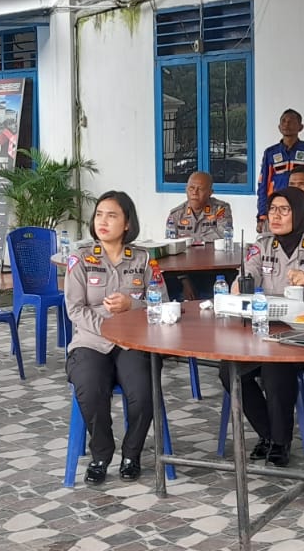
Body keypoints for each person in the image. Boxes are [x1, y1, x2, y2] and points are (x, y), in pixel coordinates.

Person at [225, 188, 304, 467]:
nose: (275, 216)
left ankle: (280, 442)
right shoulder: (262, 245)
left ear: (301, 213)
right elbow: (248, 273)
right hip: (264, 331)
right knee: (229, 370)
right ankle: (268, 433)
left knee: (274, 367)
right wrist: (239, 284)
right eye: (272, 210)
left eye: (284, 210)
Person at [64, 191, 158, 485]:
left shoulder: (143, 259)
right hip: (91, 340)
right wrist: (106, 329)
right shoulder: (80, 259)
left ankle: (132, 454)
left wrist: (134, 305)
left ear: (127, 223)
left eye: (112, 215)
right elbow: (74, 309)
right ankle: (101, 453)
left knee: (144, 392)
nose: (103, 221)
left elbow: (160, 301)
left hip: (132, 341)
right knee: (90, 388)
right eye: (99, 215)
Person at [256, 109, 304, 233]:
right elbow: (263, 185)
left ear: (300, 127)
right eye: (284, 121)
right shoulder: (270, 152)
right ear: (279, 127)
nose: (287, 124)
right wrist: (262, 215)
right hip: (279, 207)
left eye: (291, 121)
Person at [164, 171, 234, 243]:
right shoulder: (176, 214)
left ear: (210, 192)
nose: (194, 192)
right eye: (191, 188)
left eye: (200, 189)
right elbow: (170, 241)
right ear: (186, 190)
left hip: (211, 253)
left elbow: (224, 235)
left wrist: (190, 238)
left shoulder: (220, 209)